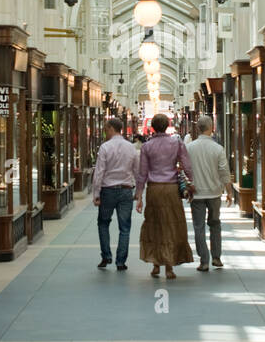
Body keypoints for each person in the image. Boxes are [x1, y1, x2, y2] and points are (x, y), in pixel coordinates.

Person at [135, 112, 193, 280]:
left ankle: (155, 264)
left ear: (152, 127)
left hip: (154, 190)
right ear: (168, 125)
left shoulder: (147, 146)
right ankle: (169, 267)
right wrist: (191, 183)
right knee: (171, 225)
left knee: (155, 224)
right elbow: (186, 165)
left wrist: (139, 196)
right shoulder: (176, 143)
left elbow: (142, 173)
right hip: (171, 189)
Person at [186, 114, 233, 272]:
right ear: (211, 128)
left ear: (197, 129)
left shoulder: (189, 148)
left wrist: (188, 186)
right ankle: (216, 257)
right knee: (215, 224)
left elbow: (184, 170)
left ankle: (204, 261)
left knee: (198, 227)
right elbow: (224, 171)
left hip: (197, 193)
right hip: (214, 193)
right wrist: (229, 191)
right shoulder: (218, 148)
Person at [92, 117, 137, 272]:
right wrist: (137, 192)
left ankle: (106, 256)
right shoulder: (131, 147)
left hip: (108, 191)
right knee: (124, 227)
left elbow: (99, 172)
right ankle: (120, 262)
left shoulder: (105, 147)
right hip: (125, 190)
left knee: (103, 223)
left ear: (111, 128)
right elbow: (136, 170)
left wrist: (96, 194)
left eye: (106, 128)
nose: (105, 131)